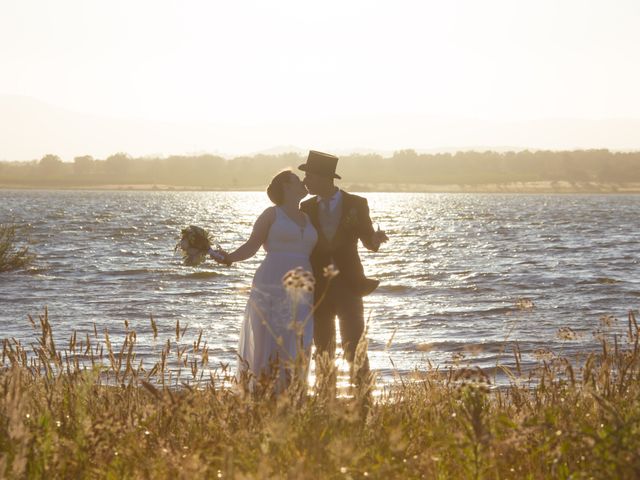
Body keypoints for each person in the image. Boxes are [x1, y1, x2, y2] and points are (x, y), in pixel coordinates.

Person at [213, 170, 317, 390]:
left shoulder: (308, 216)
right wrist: (229, 258)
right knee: (269, 335)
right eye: (298, 180)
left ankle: (293, 390)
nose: (304, 182)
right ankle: (263, 389)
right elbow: (252, 246)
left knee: (300, 336)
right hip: (271, 280)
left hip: (303, 285)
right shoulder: (272, 214)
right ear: (286, 186)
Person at [299, 151, 388, 388]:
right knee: (323, 348)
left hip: (350, 285)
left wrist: (376, 239)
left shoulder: (356, 204)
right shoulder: (305, 207)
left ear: (323, 177)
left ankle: (363, 398)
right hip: (318, 288)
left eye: (309, 175)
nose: (305, 181)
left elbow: (369, 242)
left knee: (355, 345)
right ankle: (325, 399)